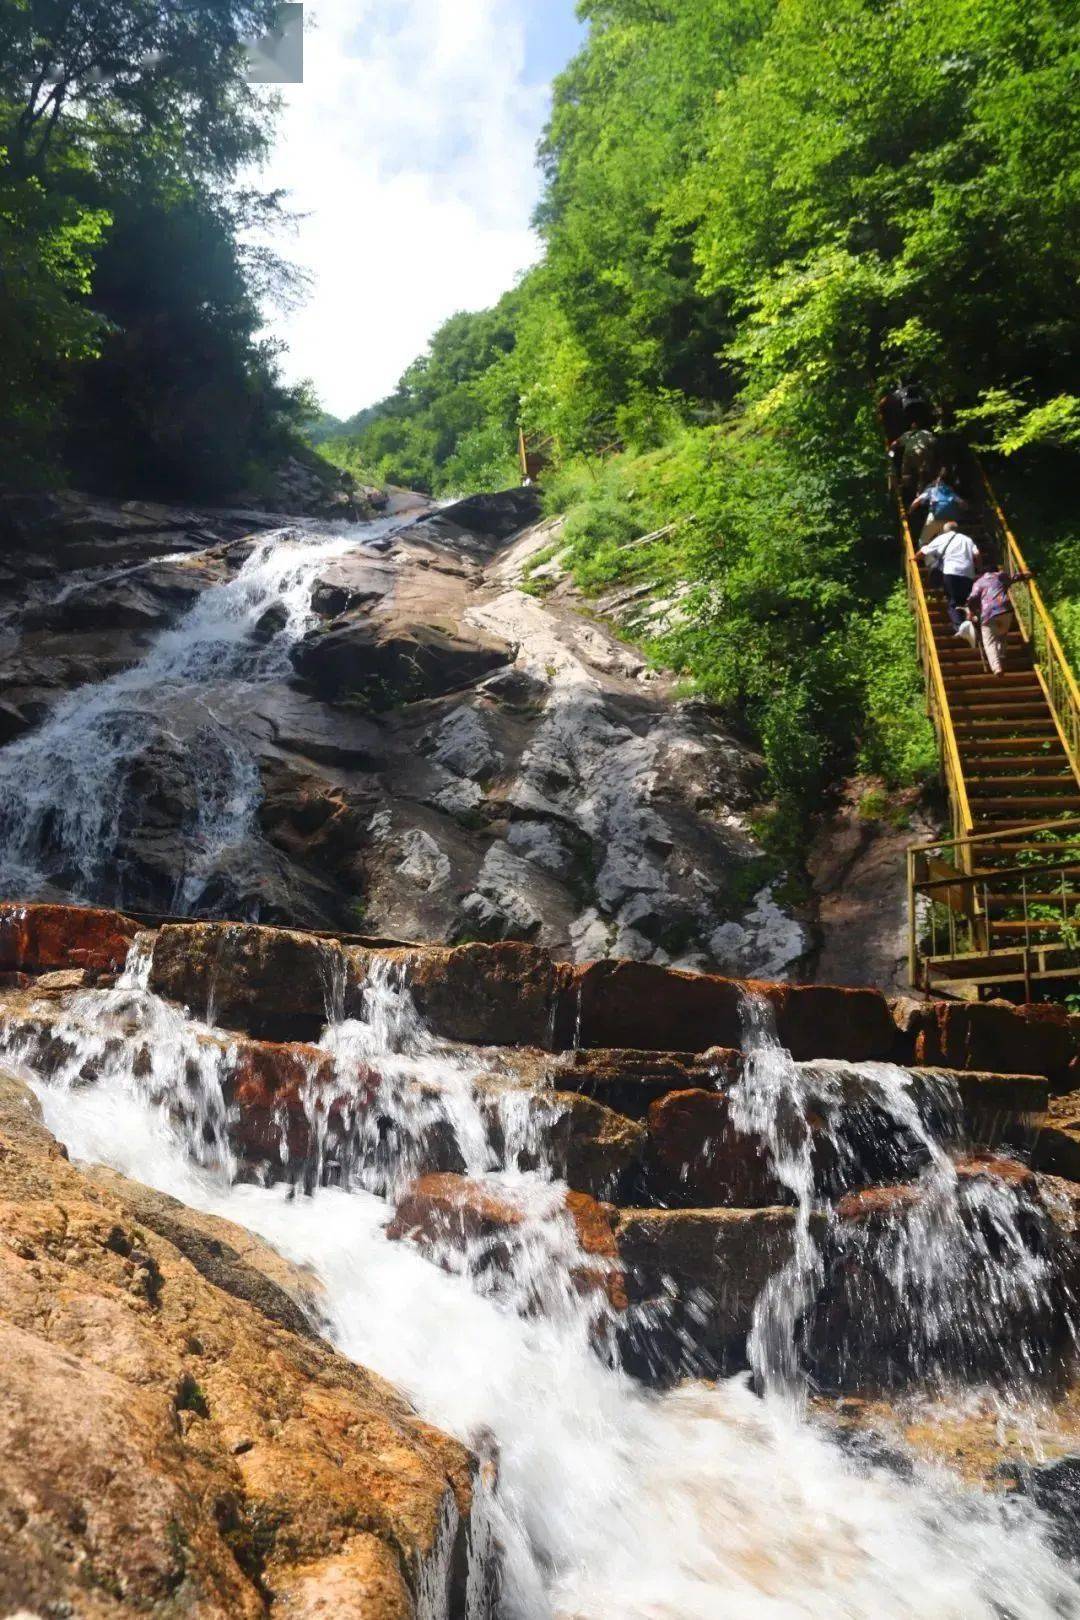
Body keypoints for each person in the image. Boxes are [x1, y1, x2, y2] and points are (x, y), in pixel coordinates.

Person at [965, 565, 1034, 675]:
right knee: (1001, 634)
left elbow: (972, 598)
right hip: (1005, 610)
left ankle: (997, 667)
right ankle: (1001, 655)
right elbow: (1014, 578)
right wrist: (1024, 575)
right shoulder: (1000, 576)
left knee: (989, 641)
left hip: (988, 614)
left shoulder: (978, 583)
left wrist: (971, 612)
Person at [918, 521, 981, 629]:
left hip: (951, 572)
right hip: (968, 573)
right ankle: (970, 622)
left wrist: (915, 558)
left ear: (945, 530)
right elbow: (977, 554)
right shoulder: (967, 539)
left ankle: (960, 627)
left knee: (952, 602)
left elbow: (925, 550)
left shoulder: (942, 538)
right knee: (964, 600)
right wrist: (979, 568)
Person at [910, 471, 968, 543]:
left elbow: (917, 501)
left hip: (934, 518)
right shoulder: (950, 492)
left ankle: (926, 553)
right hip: (949, 521)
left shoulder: (931, 490)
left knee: (923, 541)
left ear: (936, 482)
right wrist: (963, 510)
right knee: (943, 543)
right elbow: (962, 503)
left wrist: (910, 511)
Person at [891, 415, 939, 502]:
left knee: (906, 473)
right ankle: (919, 493)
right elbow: (934, 443)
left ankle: (905, 491)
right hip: (920, 452)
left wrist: (891, 452)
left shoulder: (907, 434)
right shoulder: (925, 433)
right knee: (922, 474)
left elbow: (895, 443)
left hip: (908, 453)